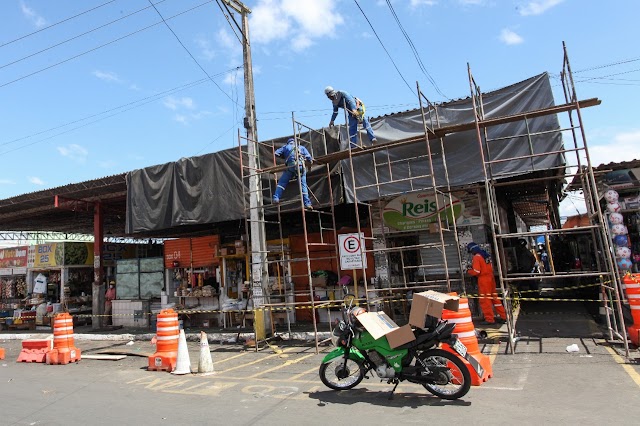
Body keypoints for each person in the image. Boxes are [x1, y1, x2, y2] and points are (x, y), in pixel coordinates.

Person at [466, 242, 506, 325]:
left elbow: (477, 271)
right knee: (495, 298)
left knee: (485, 299)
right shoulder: (485, 255)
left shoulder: (477, 257)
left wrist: (469, 271)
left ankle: (489, 319)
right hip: (491, 278)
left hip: (483, 279)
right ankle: (503, 316)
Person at [272, 138, 314, 209]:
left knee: (281, 183)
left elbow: (276, 153)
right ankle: (307, 204)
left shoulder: (285, 147)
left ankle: (276, 198)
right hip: (301, 167)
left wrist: (284, 156)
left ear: (288, 143)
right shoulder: (301, 147)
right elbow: (309, 158)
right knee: (303, 185)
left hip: (291, 167)